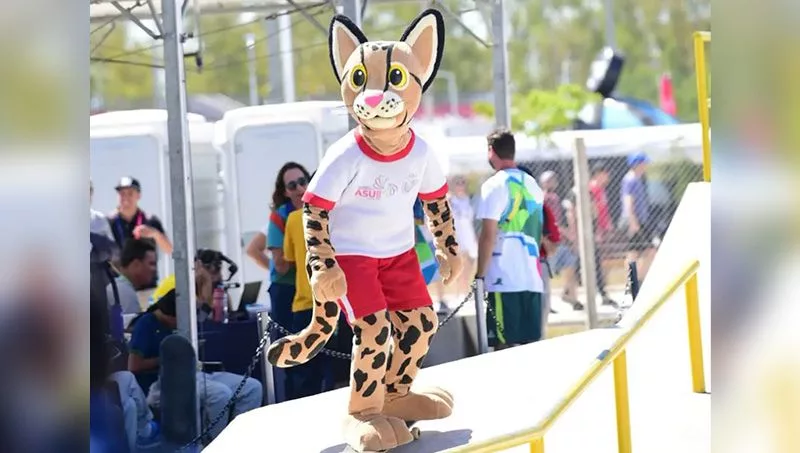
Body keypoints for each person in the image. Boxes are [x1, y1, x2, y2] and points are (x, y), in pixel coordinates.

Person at [127, 270, 263, 442]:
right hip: (165, 381)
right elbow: (134, 365)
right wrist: (171, 359)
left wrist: (206, 283)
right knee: (220, 394)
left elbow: (205, 313)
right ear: (171, 315)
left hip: (195, 373)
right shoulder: (146, 324)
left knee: (252, 387)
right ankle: (213, 444)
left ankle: (238, 441)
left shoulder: (178, 321)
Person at [476, 128, 546, 349]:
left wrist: (479, 276)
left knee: (503, 347)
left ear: (491, 151)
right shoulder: (533, 185)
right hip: (532, 279)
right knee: (530, 347)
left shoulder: (494, 185)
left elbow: (488, 235)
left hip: (503, 279)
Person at [245, 162, 311, 343]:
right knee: (288, 342)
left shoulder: (318, 210)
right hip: (287, 289)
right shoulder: (281, 217)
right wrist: (277, 268)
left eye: (302, 182)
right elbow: (278, 264)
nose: (300, 188)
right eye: (292, 186)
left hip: (312, 288)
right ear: (285, 192)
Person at [282, 175, 334, 399]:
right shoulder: (341, 216)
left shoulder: (294, 219)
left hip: (306, 304)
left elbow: (288, 258)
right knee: (338, 376)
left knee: (305, 379)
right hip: (339, 304)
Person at [107, 176, 173, 288]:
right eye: (122, 194)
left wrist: (155, 234)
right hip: (119, 286)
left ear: (138, 195)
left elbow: (169, 249)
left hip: (147, 285)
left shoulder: (150, 220)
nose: (125, 198)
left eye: (130, 193)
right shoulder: (109, 222)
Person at [540, 171, 582, 310]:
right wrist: (569, 234)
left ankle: (570, 296)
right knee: (547, 273)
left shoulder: (555, 198)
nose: (552, 183)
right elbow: (553, 222)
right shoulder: (544, 198)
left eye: (553, 180)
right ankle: (546, 304)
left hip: (560, 240)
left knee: (570, 265)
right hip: (549, 241)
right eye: (549, 181)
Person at [620, 152, 658, 282]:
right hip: (634, 221)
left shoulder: (638, 179)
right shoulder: (630, 179)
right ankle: (633, 281)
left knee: (649, 251)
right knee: (633, 252)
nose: (645, 165)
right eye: (643, 163)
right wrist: (633, 222)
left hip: (640, 221)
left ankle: (638, 279)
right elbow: (628, 201)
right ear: (637, 164)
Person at [588, 163, 619, 307]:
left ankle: (602, 292)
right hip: (594, 231)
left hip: (601, 231)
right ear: (598, 174)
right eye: (606, 173)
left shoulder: (600, 189)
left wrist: (608, 226)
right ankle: (601, 293)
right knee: (593, 263)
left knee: (598, 262)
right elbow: (594, 212)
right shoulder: (592, 188)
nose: (608, 176)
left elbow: (604, 211)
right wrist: (598, 230)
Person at [106, 239, 158, 316]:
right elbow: (130, 323)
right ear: (136, 264)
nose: (154, 269)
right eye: (151, 264)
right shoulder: (123, 291)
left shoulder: (120, 287)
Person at [447, 176, 479, 297]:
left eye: (462, 183)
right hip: (458, 234)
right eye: (458, 183)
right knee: (460, 263)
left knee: (470, 263)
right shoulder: (451, 200)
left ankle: (466, 289)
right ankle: (460, 291)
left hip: (468, 234)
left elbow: (471, 220)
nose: (460, 186)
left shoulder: (468, 200)